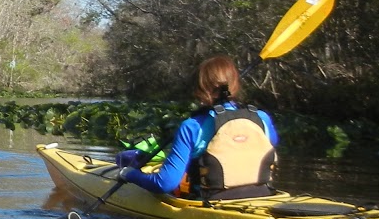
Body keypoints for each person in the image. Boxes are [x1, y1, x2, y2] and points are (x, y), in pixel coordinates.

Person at [117, 54, 278, 201]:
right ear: (234, 84)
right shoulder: (262, 117)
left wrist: (130, 174)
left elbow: (164, 184)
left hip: (213, 202)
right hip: (263, 197)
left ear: (200, 88)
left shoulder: (192, 126)